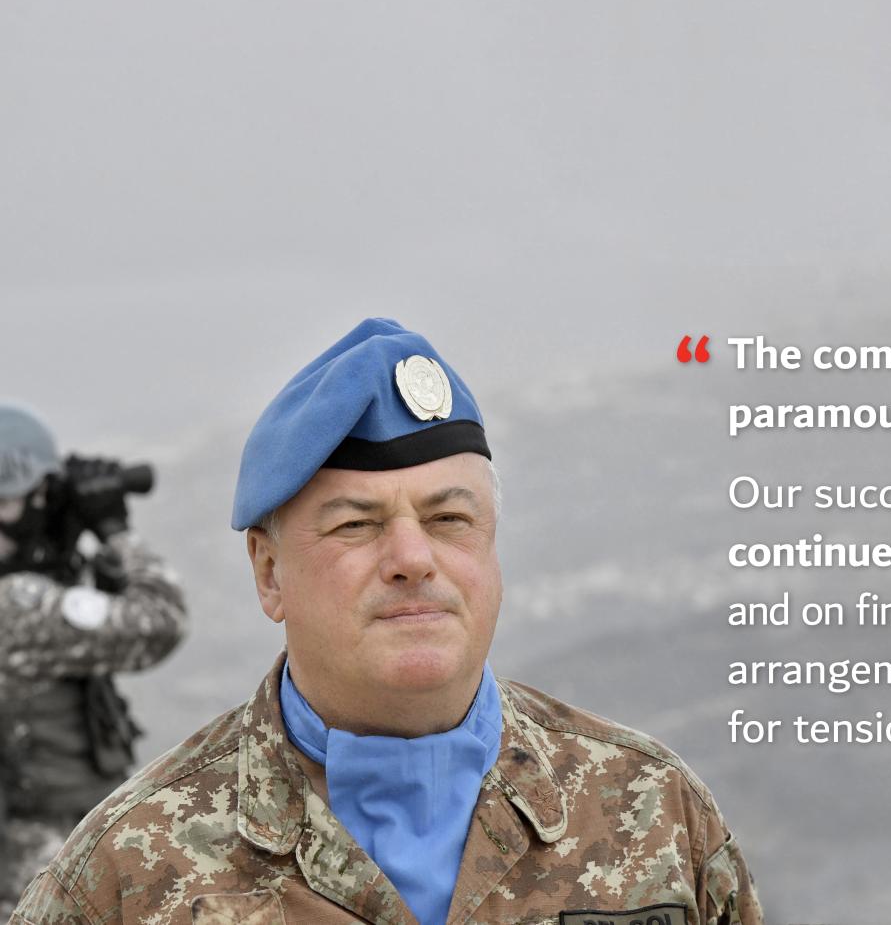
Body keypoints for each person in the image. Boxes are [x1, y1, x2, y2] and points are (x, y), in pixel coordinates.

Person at [13, 318, 760, 925]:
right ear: (270, 573)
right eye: (356, 525)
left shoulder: (654, 813)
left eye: (449, 519)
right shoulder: (126, 875)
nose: (412, 558)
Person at [0, 406, 186, 915]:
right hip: (47, 869)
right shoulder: (15, 607)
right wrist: (113, 528)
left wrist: (76, 556)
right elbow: (160, 620)